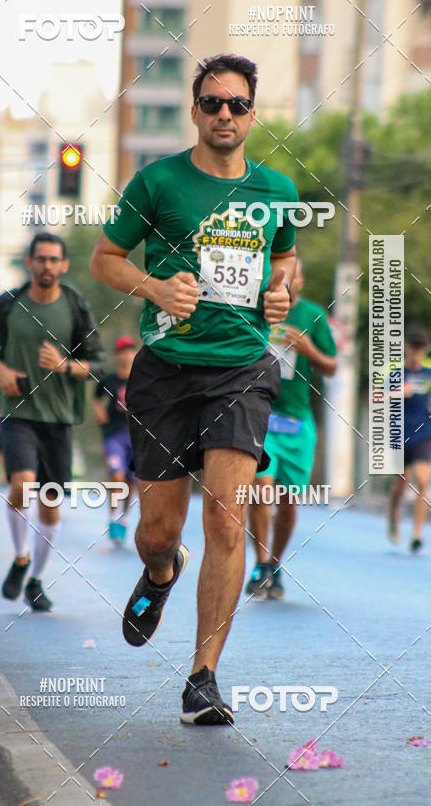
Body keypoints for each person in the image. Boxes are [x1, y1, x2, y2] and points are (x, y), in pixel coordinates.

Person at [90, 53, 297, 725]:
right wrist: (154, 287)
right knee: (159, 531)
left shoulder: (278, 191)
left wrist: (281, 290)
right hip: (166, 370)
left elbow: (286, 257)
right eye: (212, 103)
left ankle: (203, 678)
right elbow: (104, 259)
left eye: (237, 104)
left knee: (227, 519)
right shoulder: (157, 182)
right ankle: (161, 570)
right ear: (195, 112)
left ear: (253, 114)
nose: (224, 114)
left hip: (242, 370)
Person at [0, 232, 104, 611]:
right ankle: (20, 557)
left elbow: (96, 364)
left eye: (54, 259)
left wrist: (64, 365)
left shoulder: (75, 306)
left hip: (59, 418)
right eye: (41, 259)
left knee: (50, 501)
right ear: (30, 262)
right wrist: (1, 370)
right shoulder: (9, 303)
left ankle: (36, 579)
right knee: (21, 486)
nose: (47, 265)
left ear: (63, 265)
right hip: (18, 414)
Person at [245, 259, 337, 599]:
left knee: (288, 502)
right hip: (261, 416)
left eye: (291, 277)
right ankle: (259, 564)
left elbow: (331, 366)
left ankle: (273, 564)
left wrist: (308, 348)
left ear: (300, 282)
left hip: (297, 423)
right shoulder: (256, 310)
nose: (284, 281)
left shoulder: (312, 316)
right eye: (278, 276)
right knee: (261, 487)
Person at [387, 327, 431, 553]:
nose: (416, 354)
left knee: (422, 480)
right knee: (401, 483)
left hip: (424, 433)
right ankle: (393, 514)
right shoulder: (395, 372)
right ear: (406, 348)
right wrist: (398, 392)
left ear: (425, 351)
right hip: (400, 433)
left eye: (420, 351)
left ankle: (417, 533)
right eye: (413, 349)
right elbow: (376, 397)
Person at [93, 336, 138, 546]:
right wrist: (99, 411)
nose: (126, 355)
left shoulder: (141, 379)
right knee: (117, 475)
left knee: (130, 481)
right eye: (122, 351)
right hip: (113, 434)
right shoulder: (109, 380)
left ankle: (124, 518)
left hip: (136, 436)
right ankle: (113, 516)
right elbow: (96, 397)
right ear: (116, 356)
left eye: (130, 351)